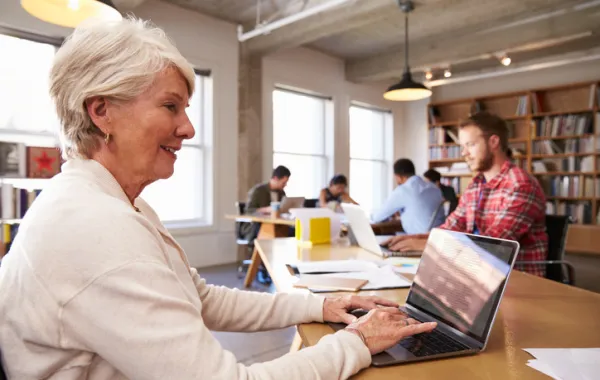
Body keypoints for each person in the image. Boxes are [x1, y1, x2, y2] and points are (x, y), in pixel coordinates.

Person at [0, 18, 436, 379]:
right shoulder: (95, 227)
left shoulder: (109, 202)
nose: (188, 128)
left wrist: (320, 304)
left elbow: (202, 298)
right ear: (102, 111)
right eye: (171, 106)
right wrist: (358, 342)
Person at [384, 112, 548, 277]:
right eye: (463, 146)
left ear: (493, 142)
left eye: (470, 145)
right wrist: (415, 239)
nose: (464, 153)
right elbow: (452, 227)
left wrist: (429, 245)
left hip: (515, 280)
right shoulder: (475, 185)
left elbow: (493, 244)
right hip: (477, 273)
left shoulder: (520, 184)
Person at [371, 158, 445, 234]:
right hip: (438, 238)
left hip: (419, 239)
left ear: (398, 176)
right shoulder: (434, 187)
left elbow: (377, 217)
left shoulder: (403, 190)